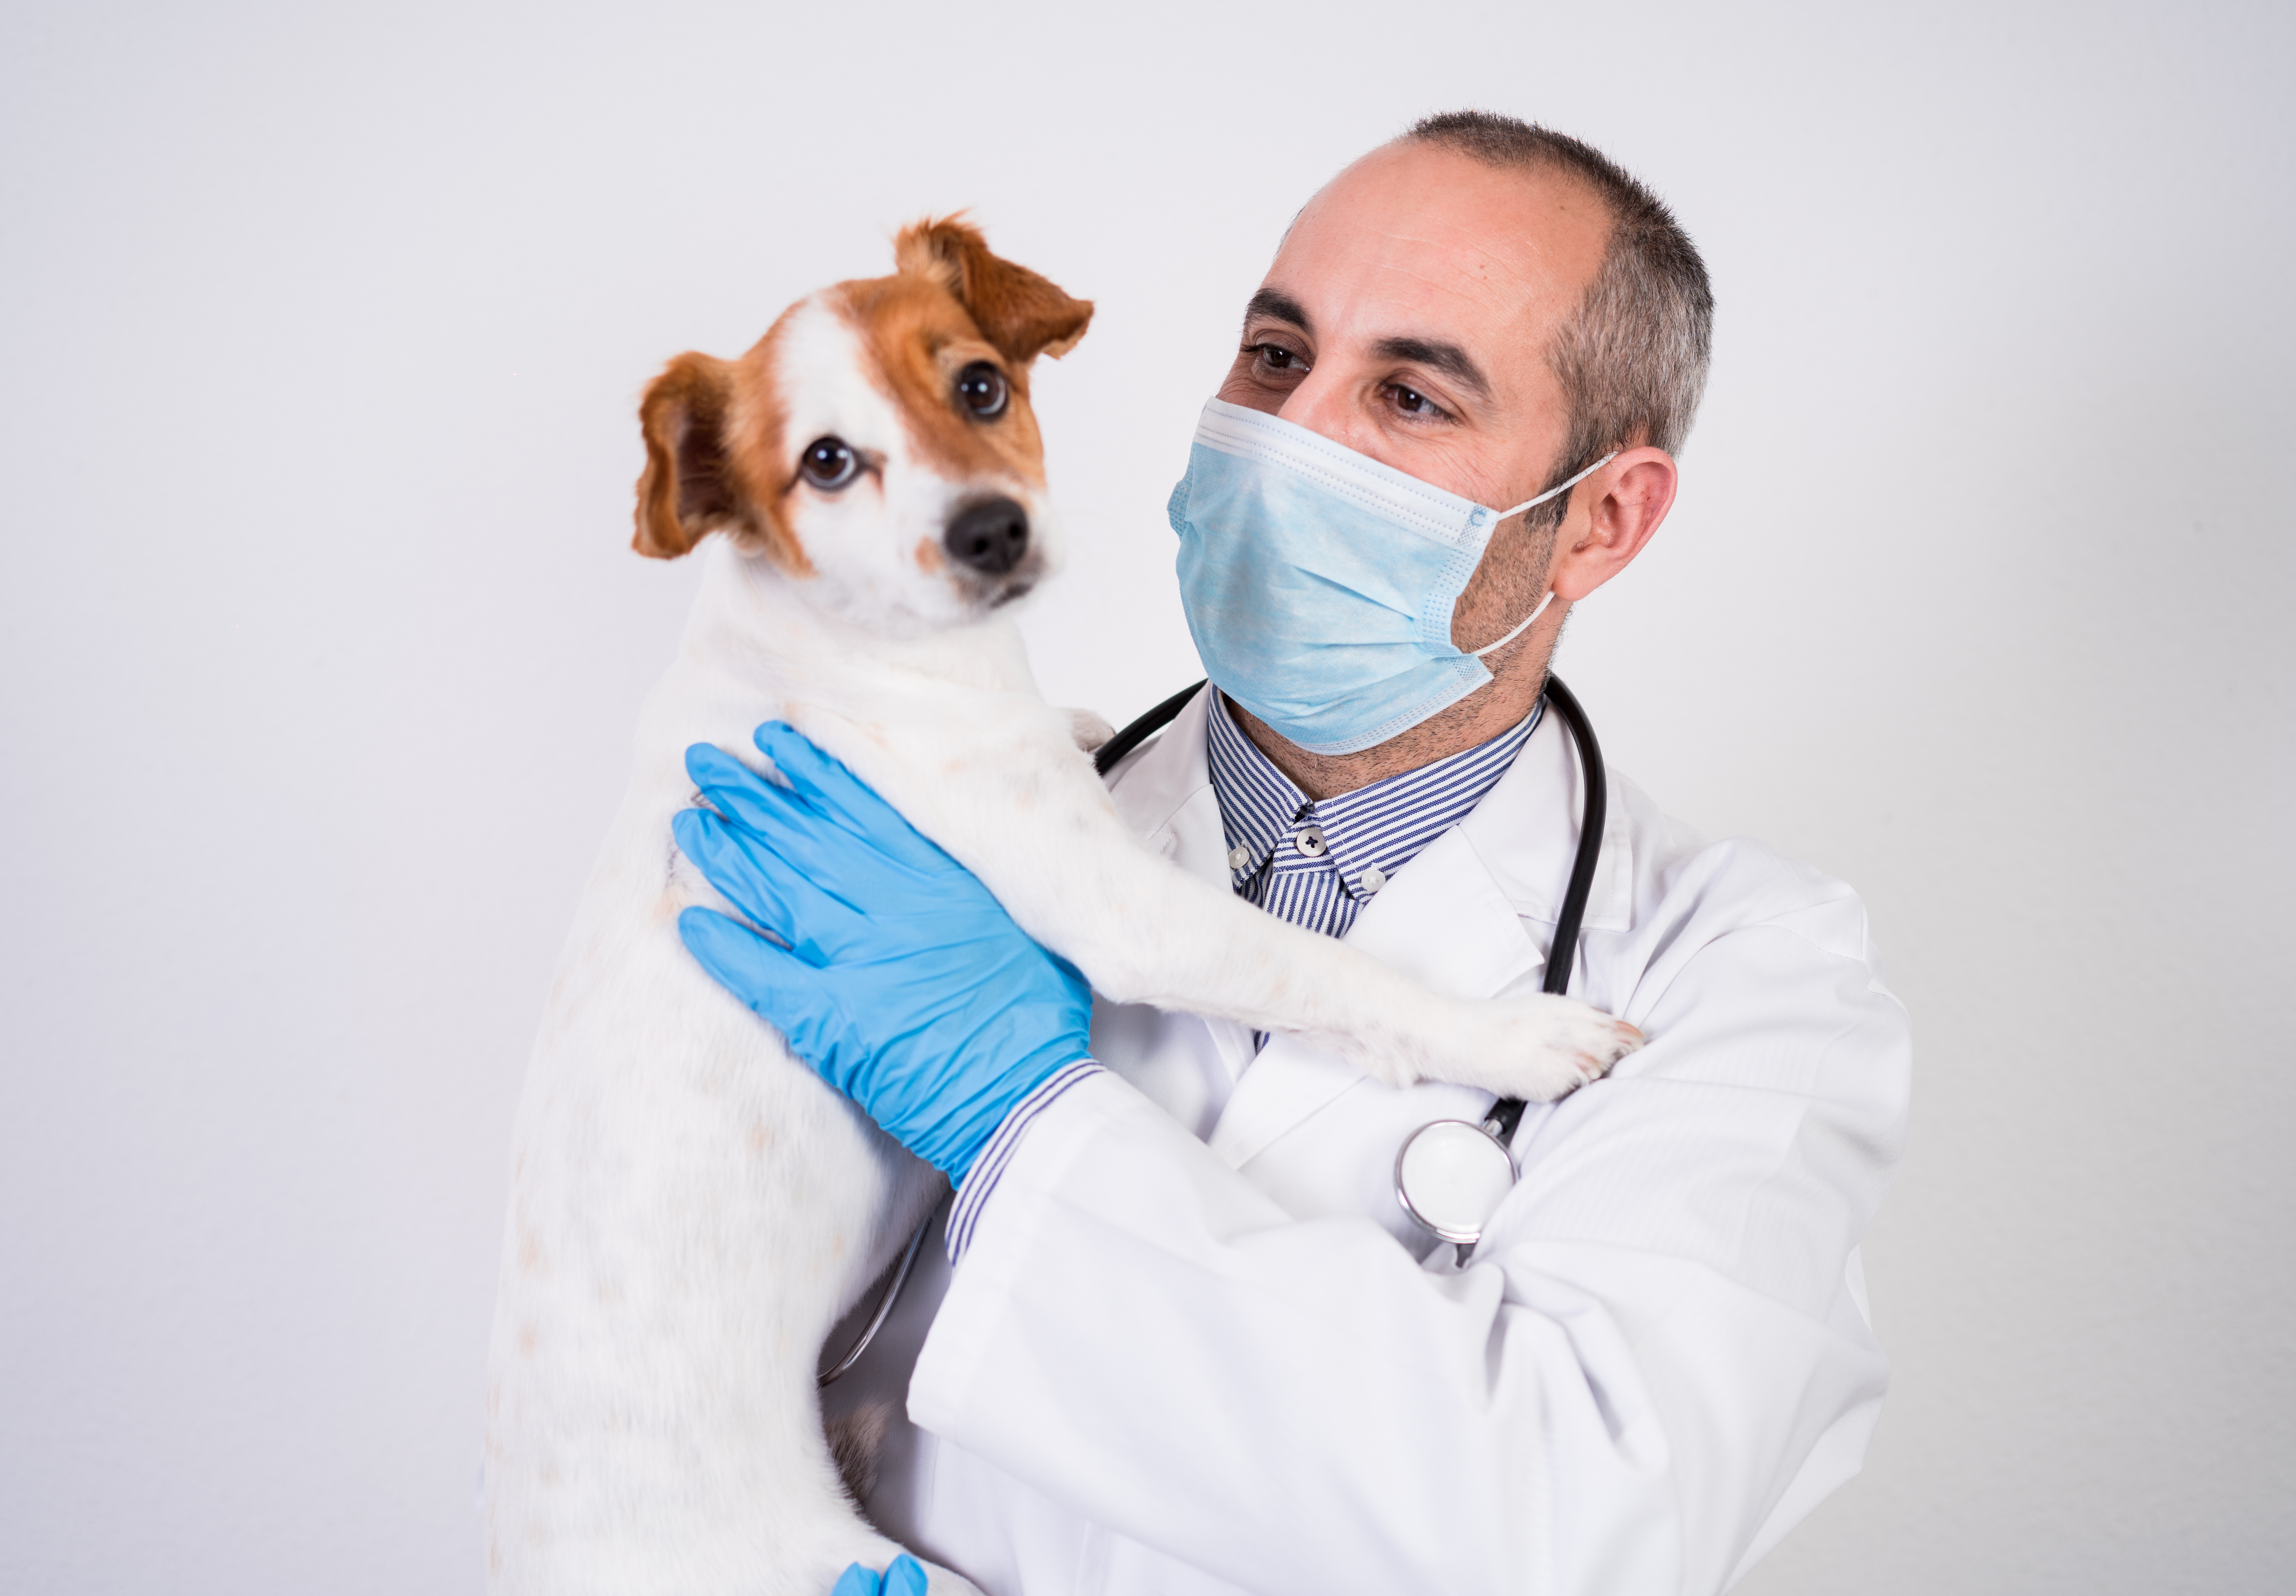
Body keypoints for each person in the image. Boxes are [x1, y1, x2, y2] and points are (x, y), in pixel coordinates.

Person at [674, 111, 1910, 1595]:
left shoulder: (1747, 979)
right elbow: (661, 1354)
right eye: (1275, 358)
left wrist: (1016, 1115)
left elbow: (1579, 1528)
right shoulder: (926, 845)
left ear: (1598, 522)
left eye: (1407, 395)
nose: (1290, 437)